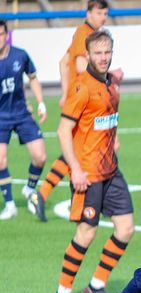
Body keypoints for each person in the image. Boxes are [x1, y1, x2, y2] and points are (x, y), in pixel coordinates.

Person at [53, 29, 133, 293]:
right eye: (97, 53)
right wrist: (74, 169)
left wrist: (115, 138)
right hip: (87, 174)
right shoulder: (81, 87)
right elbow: (63, 131)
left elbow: (107, 118)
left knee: (125, 229)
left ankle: (96, 286)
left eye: (107, 52)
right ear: (87, 55)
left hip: (111, 169)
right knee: (86, 233)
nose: (103, 57)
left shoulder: (111, 82)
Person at [26, 0, 109, 217]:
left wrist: (65, 93)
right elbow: (81, 65)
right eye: (100, 13)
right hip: (84, 101)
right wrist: (108, 77)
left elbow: (63, 62)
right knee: (79, 150)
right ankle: (46, 194)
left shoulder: (82, 33)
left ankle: (42, 194)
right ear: (89, 13)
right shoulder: (85, 34)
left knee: (76, 150)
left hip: (77, 98)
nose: (103, 17)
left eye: (105, 13)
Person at [0, 20, 48, 221]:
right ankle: (10, 204)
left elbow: (33, 77)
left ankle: (29, 189)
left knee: (40, 156)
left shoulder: (20, 55)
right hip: (1, 118)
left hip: (21, 114)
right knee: (0, 160)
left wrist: (40, 102)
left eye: (1, 34)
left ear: (6, 34)